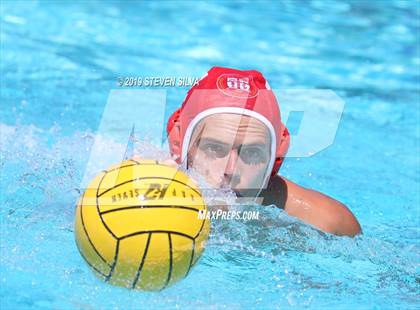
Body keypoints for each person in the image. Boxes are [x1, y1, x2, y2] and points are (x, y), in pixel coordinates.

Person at [161, 67, 361, 236]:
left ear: (274, 159)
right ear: (182, 146)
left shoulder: (328, 224)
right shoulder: (145, 193)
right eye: (214, 148)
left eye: (251, 153)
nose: (230, 170)